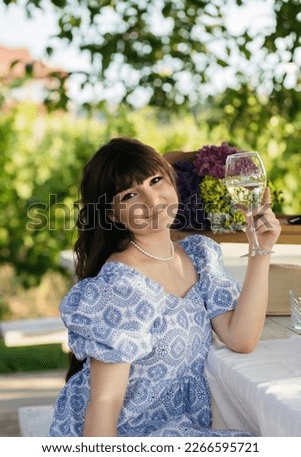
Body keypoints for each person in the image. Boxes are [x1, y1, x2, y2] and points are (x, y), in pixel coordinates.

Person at [49, 137, 281, 437]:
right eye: (131, 195)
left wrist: (260, 249)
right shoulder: (121, 287)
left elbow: (241, 338)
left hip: (177, 431)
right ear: (111, 214)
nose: (152, 200)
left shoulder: (198, 256)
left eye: (156, 180)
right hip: (129, 436)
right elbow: (106, 401)